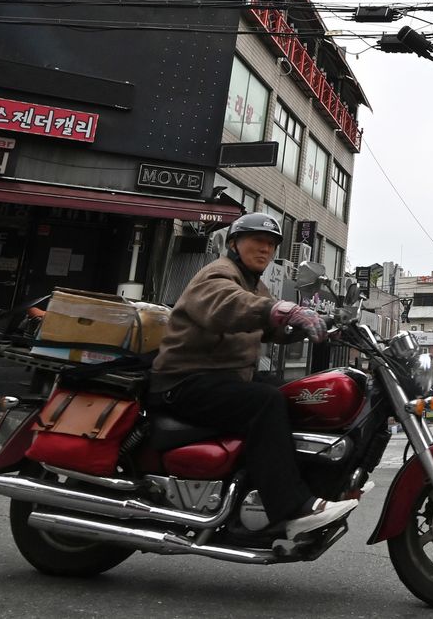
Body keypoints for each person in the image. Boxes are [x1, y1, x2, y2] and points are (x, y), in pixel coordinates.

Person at [150, 212, 356, 545]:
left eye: (271, 244)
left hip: (221, 378)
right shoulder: (219, 274)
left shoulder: (252, 283)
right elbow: (230, 306)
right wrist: (284, 311)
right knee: (267, 401)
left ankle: (281, 488)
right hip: (182, 380)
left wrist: (305, 324)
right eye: (256, 241)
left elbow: (267, 323)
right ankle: (292, 508)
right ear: (233, 243)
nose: (264, 250)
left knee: (295, 396)